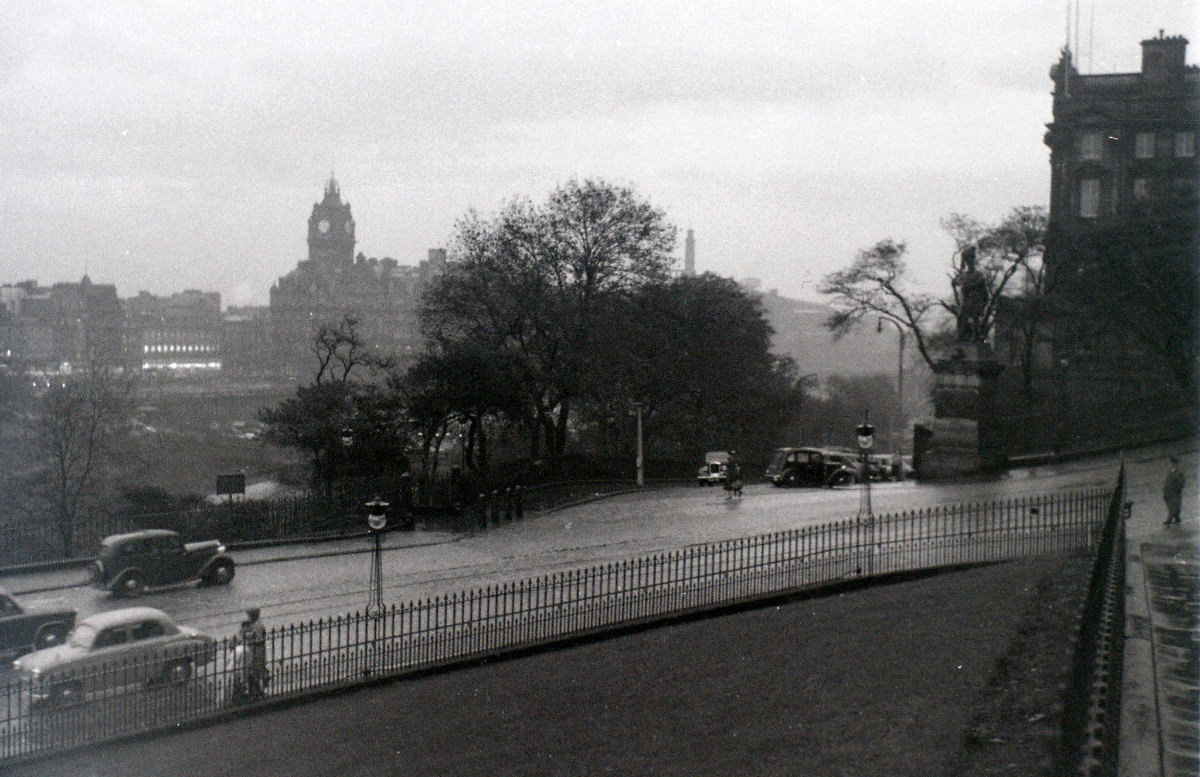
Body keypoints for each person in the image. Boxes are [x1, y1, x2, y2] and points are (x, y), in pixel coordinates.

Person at [235, 607, 268, 700]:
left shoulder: (258, 626)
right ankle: (254, 690)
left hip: (257, 651)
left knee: (255, 671)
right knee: (253, 671)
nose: (248, 617)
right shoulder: (254, 625)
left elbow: (258, 639)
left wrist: (246, 638)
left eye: (249, 615)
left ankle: (255, 691)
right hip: (254, 651)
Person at [1163, 456, 1185, 526]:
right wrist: (1165, 489)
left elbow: (1181, 482)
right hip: (1168, 491)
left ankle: (1170, 518)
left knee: (1174, 505)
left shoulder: (1179, 472)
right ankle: (1176, 517)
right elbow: (1167, 481)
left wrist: (1178, 489)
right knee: (1170, 504)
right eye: (1171, 463)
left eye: (1173, 463)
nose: (1172, 464)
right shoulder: (1170, 471)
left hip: (1175, 491)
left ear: (1176, 463)